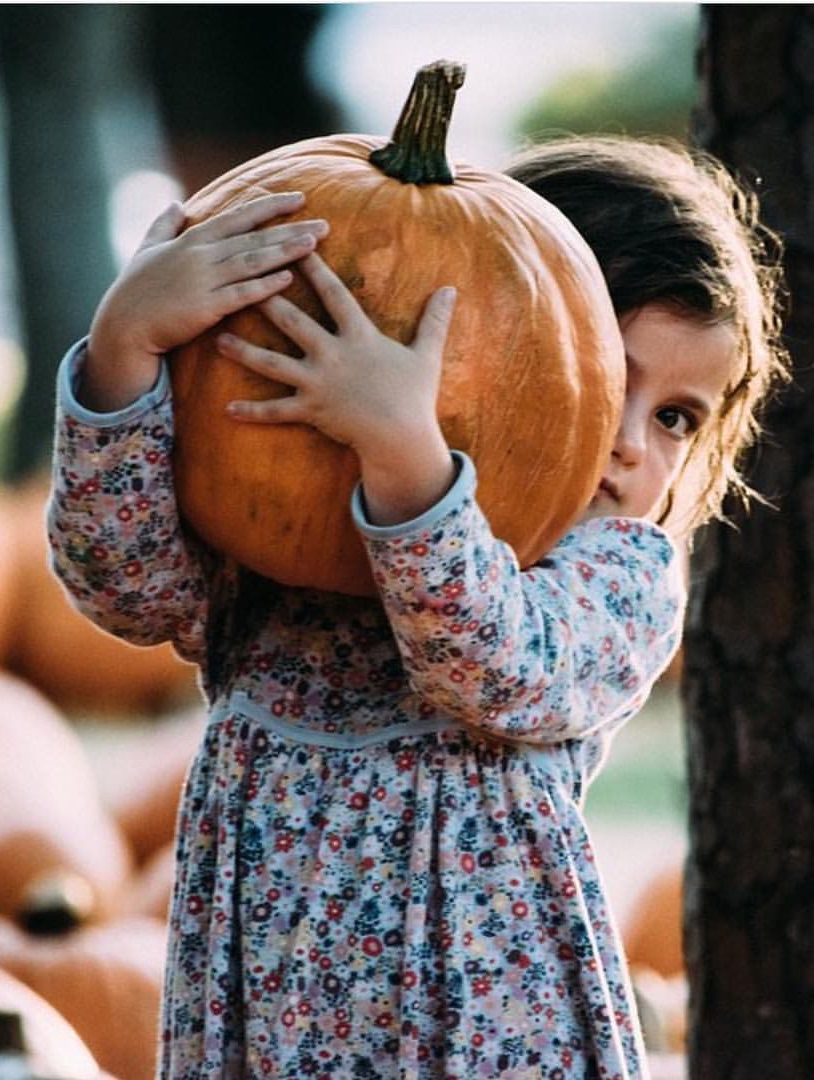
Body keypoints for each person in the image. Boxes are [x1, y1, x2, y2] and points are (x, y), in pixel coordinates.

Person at [46, 137, 787, 1078]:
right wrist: (125, 349)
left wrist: (408, 463)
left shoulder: (619, 575)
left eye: (677, 416)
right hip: (273, 1013)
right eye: (607, 379)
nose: (633, 446)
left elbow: (500, 665)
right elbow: (126, 588)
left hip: (482, 1033)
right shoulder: (299, 546)